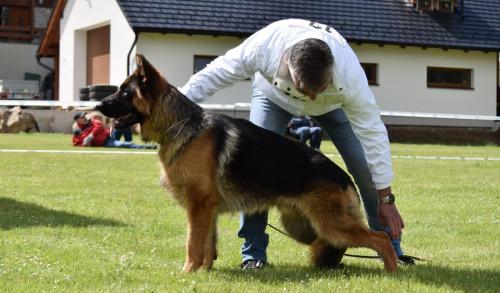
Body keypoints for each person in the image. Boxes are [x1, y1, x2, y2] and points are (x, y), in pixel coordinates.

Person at [180, 19, 411, 269]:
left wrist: (386, 198)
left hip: (332, 107)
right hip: (273, 98)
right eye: (305, 89)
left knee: (363, 167)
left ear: (331, 73)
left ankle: (390, 247)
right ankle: (253, 254)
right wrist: (177, 110)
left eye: (318, 89)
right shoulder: (264, 45)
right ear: (288, 65)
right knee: (254, 168)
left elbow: (373, 134)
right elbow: (216, 73)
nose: (310, 98)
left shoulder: (350, 75)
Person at [72, 112, 156, 149]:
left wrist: (90, 136)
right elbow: (77, 143)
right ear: (78, 120)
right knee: (123, 145)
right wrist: (85, 144)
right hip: (106, 142)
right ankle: (149, 147)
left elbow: (99, 126)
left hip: (110, 135)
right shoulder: (77, 131)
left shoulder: (91, 121)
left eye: (84, 116)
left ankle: (129, 141)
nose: (85, 117)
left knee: (124, 124)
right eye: (82, 117)